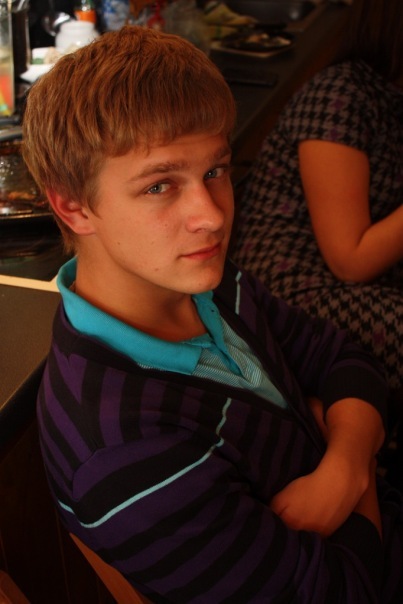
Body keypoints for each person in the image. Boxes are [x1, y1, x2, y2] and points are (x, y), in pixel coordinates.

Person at [22, 25, 403, 603]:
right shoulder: (123, 450)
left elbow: (344, 356)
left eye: (214, 171)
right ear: (73, 207)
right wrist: (354, 440)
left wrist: (344, 469)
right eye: (159, 186)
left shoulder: (207, 286)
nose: (213, 216)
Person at [231, 0, 403, 399]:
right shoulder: (340, 95)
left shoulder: (391, 94)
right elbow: (351, 261)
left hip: (362, 283)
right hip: (295, 292)